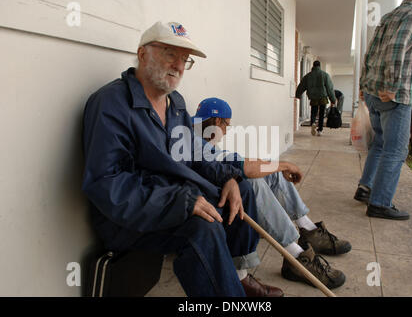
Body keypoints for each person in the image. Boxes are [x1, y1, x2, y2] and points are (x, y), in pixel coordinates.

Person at [81, 21, 283, 297]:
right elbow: (107, 184)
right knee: (202, 228)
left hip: (174, 197)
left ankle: (237, 277)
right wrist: (180, 202)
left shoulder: (175, 103)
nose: (178, 65)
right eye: (170, 54)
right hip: (128, 217)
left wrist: (229, 177)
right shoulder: (111, 104)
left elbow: (194, 153)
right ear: (142, 54)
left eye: (184, 59)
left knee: (242, 191)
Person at [192, 97, 352, 289]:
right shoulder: (197, 145)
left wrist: (273, 166)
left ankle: (308, 229)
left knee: (272, 173)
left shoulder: (201, 140)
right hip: (209, 202)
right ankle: (295, 256)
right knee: (253, 182)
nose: (226, 131)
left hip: (217, 189)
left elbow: (238, 161)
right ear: (218, 122)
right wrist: (285, 164)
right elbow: (247, 169)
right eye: (227, 125)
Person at [354, 0, 412, 220]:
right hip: (393, 95)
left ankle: (366, 188)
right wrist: (393, 85)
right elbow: (396, 48)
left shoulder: (389, 16)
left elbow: (370, 53)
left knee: (379, 144)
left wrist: (363, 85)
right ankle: (379, 203)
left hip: (373, 92)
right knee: (396, 150)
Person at [296, 61, 336, 137]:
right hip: (323, 97)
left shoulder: (308, 76)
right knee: (321, 114)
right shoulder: (325, 75)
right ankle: (320, 130)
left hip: (313, 97)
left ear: (313, 66)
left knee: (313, 111)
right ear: (319, 66)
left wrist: (298, 95)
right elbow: (329, 88)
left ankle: (313, 123)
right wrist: (333, 100)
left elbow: (301, 85)